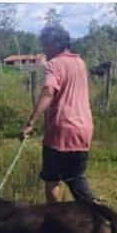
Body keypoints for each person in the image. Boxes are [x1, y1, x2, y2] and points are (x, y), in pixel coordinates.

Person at [21, 25, 95, 203]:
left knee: (52, 179)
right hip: (83, 128)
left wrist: (31, 122)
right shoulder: (79, 62)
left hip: (61, 129)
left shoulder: (55, 64)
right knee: (76, 178)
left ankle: (57, 216)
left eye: (45, 45)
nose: (44, 50)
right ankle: (92, 211)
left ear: (54, 44)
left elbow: (48, 92)